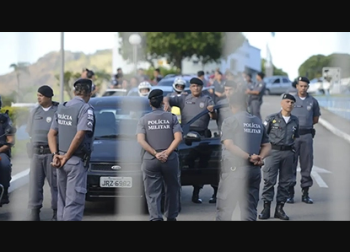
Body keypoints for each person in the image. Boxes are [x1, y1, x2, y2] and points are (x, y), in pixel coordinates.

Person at [216, 92, 271, 221]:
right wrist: (260, 158)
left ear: (231, 105)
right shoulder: (257, 121)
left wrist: (248, 157)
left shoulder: (230, 121)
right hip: (253, 171)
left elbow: (229, 145)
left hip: (235, 170)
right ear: (246, 104)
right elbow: (267, 146)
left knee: (225, 209)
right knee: (249, 210)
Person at [47, 78, 95, 221]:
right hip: (74, 161)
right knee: (74, 201)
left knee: (62, 200)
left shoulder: (62, 107)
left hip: (59, 161)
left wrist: (56, 155)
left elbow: (51, 134)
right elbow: (80, 134)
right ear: (89, 93)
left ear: (74, 91)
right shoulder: (85, 109)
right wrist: (67, 156)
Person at [163, 77, 217, 204]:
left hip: (202, 135)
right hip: (187, 135)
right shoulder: (184, 98)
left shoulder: (207, 99)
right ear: (190, 87)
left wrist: (212, 111)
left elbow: (214, 116)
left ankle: (209, 193)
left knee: (207, 164)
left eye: (198, 86)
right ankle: (190, 192)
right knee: (189, 164)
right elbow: (167, 98)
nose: (195, 88)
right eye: (193, 86)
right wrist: (166, 103)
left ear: (202, 87)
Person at [136, 89, 183, 221]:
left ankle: (156, 218)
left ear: (150, 103)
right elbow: (178, 138)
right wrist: (167, 153)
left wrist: (156, 154)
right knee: (172, 189)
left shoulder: (144, 119)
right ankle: (171, 217)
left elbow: (140, 140)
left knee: (152, 192)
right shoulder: (172, 117)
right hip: (170, 159)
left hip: (150, 160)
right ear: (163, 101)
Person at [258, 93, 299, 220]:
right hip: (273, 152)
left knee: (285, 182)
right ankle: (266, 208)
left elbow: (295, 137)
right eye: (287, 101)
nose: (290, 104)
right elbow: (263, 136)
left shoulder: (295, 120)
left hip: (288, 153)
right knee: (269, 180)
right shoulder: (271, 118)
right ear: (281, 103)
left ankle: (280, 209)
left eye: (292, 102)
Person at [26, 85, 59, 221]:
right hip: (36, 154)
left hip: (51, 153)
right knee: (35, 185)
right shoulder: (34, 112)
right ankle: (34, 213)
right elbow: (29, 131)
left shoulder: (58, 111)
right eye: (37, 95)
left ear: (48, 97)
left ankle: (57, 213)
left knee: (55, 185)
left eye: (41, 95)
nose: (38, 98)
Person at [287, 76, 321, 204]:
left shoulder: (313, 101)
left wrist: (305, 126)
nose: (303, 88)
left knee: (307, 165)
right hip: (292, 136)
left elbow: (316, 119)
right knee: (291, 164)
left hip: (307, 136)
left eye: (305, 86)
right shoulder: (291, 100)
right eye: (301, 86)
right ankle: (290, 193)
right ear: (297, 86)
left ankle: (305, 193)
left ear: (308, 87)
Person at [0, 95, 16, 207]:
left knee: (5, 165)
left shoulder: (4, 120)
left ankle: (5, 190)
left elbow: (10, 141)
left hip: (1, 150)